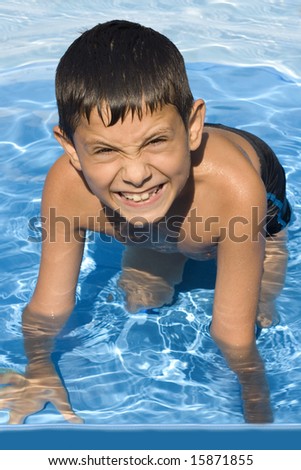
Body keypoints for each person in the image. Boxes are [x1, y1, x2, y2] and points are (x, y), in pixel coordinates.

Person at [0, 20, 291, 424]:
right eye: (103, 150)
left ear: (193, 128)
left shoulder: (236, 191)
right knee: (142, 296)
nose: (135, 174)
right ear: (70, 148)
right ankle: (160, 240)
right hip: (171, 181)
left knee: (256, 298)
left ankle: (247, 251)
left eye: (154, 142)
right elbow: (48, 308)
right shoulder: (67, 190)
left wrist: (258, 413)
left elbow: (233, 336)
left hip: (248, 179)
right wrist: (38, 368)